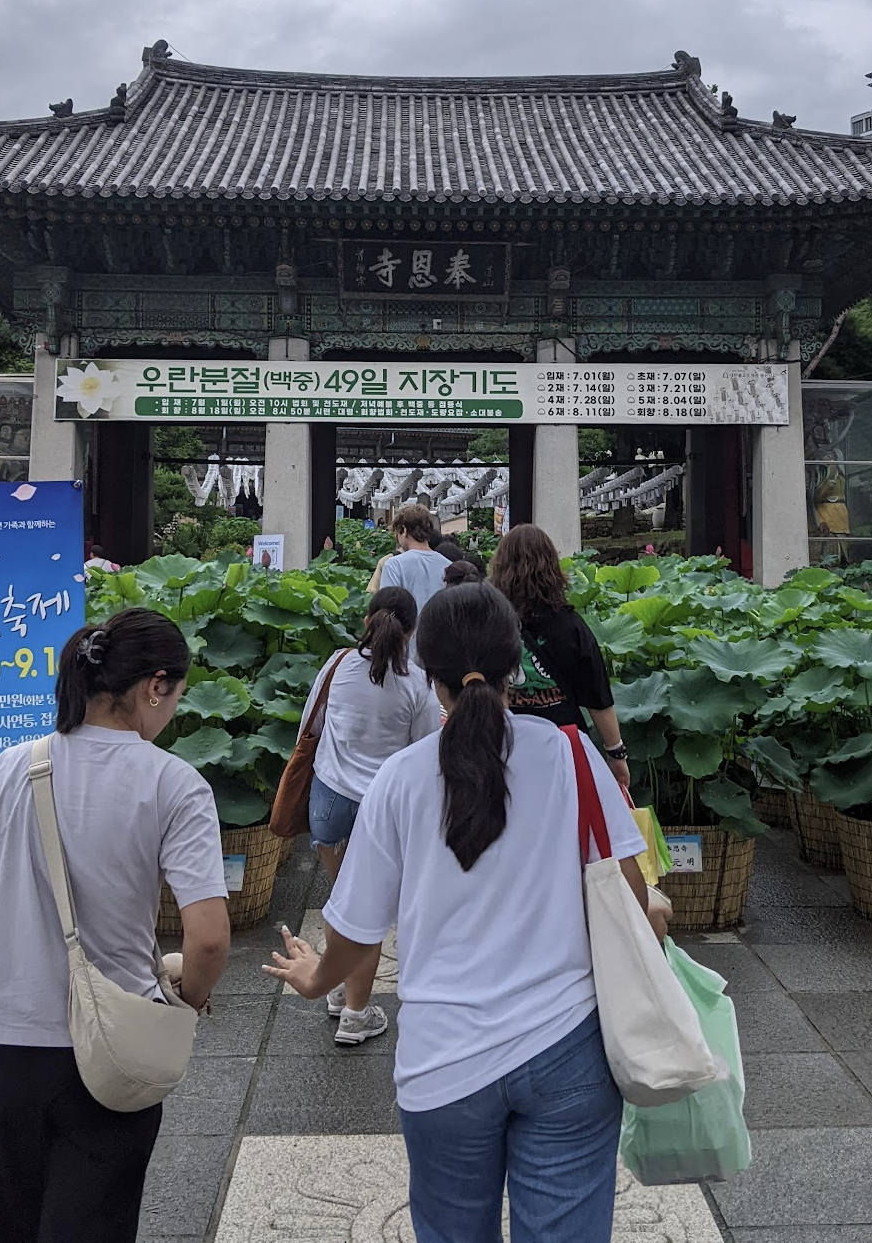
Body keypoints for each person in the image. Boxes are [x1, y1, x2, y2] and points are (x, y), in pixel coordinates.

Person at [264, 583, 647, 1243]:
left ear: (426, 673)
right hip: (571, 1050)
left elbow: (355, 935)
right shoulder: (572, 756)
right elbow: (632, 897)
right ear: (516, 666)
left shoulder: (400, 781)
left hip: (443, 1063)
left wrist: (315, 980)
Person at [0, 608, 230, 1243]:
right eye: (176, 696)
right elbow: (210, 934)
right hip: (108, 1055)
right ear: (153, 686)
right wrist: (188, 1001)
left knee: (5, 1227)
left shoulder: (4, 769)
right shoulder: (174, 784)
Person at [299, 587, 438, 1047]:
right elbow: (421, 754)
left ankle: (340, 990)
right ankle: (356, 1015)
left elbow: (310, 728)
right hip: (381, 811)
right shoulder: (417, 683)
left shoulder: (337, 665)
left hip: (329, 806)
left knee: (343, 901)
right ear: (412, 632)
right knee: (370, 913)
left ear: (366, 622)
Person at [488, 524, 631, 791]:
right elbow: (597, 697)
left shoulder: (489, 623)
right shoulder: (571, 626)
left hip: (507, 748)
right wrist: (616, 753)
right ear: (552, 568)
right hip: (564, 747)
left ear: (500, 567)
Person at [380, 504, 449, 613]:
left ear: (404, 530)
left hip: (406, 630)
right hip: (441, 629)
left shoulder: (394, 565)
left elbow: (387, 610)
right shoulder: (448, 564)